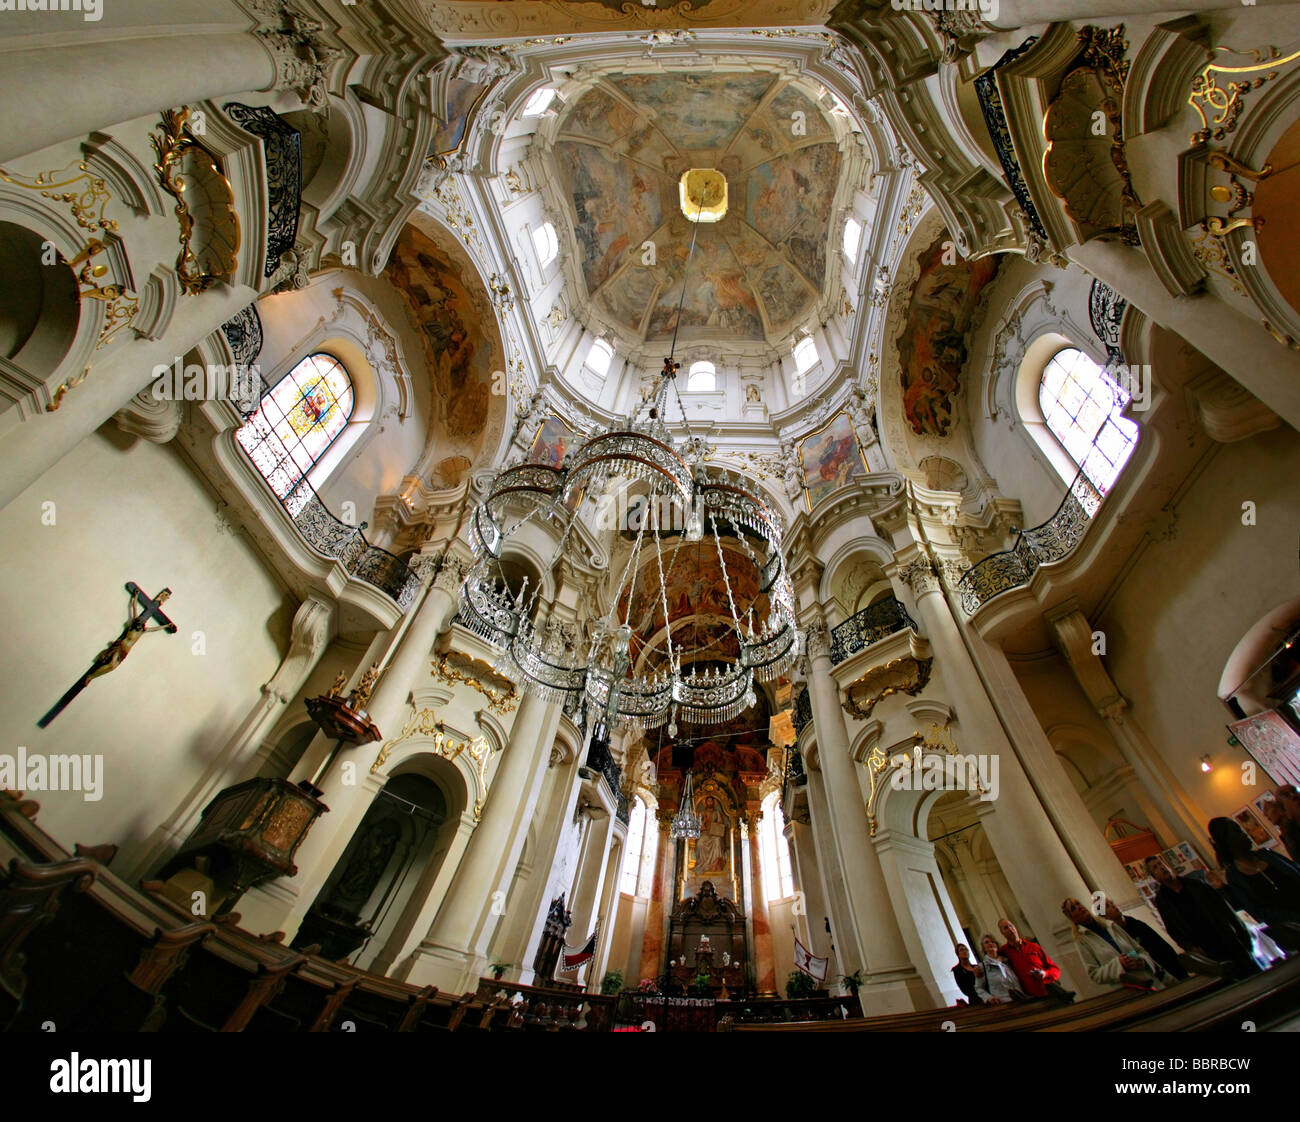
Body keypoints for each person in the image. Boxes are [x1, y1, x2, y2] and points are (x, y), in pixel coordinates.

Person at [1144, 855, 1259, 977]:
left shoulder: (1196, 885)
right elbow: (1172, 929)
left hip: (1227, 937)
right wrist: (1190, 947)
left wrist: (1242, 933)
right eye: (1155, 868)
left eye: (1161, 863)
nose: (1161, 868)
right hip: (1206, 948)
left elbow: (1226, 909)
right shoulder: (1163, 901)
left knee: (1251, 972)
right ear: (1154, 877)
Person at [1207, 816, 1300, 930]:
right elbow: (1258, 912)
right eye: (1237, 831)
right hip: (1293, 927)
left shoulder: (1266, 854)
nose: (1245, 834)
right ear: (1226, 841)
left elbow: (1296, 871)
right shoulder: (1235, 876)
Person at [1062, 897, 1166, 991]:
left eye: (1078, 903)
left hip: (1150, 979)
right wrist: (1119, 964)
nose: (1079, 907)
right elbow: (1095, 975)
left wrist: (1142, 961)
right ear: (1072, 918)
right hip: (1128, 990)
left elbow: (1140, 950)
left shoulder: (1110, 925)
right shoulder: (1082, 941)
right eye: (1073, 908)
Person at [1103, 898, 1188, 980]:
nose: (1113, 906)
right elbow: (1133, 955)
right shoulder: (1116, 937)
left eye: (1112, 903)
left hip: (1170, 963)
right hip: (1152, 971)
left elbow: (1161, 943)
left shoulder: (1135, 923)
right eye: (1107, 906)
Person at [997, 917, 1074, 1002]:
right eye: (1005, 928)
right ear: (1002, 933)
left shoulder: (1034, 947)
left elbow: (1055, 969)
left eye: (1011, 926)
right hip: (1031, 999)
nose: (1010, 929)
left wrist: (1044, 973)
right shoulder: (1004, 951)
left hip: (1049, 992)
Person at [974, 933, 1024, 1004]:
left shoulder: (1007, 961)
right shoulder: (982, 967)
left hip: (1020, 1000)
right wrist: (989, 998)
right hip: (1002, 1003)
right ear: (983, 948)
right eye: (986, 942)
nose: (990, 943)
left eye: (992, 941)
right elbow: (978, 988)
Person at [1274, 786, 1300, 861]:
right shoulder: (1295, 844)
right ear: (1286, 813)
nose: (1294, 796)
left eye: (1294, 791)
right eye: (1286, 795)